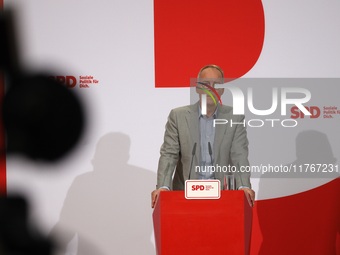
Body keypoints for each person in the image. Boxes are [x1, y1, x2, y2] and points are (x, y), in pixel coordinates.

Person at [151, 64, 255, 208]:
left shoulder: (235, 117)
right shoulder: (178, 116)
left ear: (223, 89)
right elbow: (169, 154)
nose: (211, 88)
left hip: (222, 196)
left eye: (216, 84)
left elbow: (239, 155)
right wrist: (163, 186)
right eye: (206, 84)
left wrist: (243, 185)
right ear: (197, 87)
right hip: (185, 195)